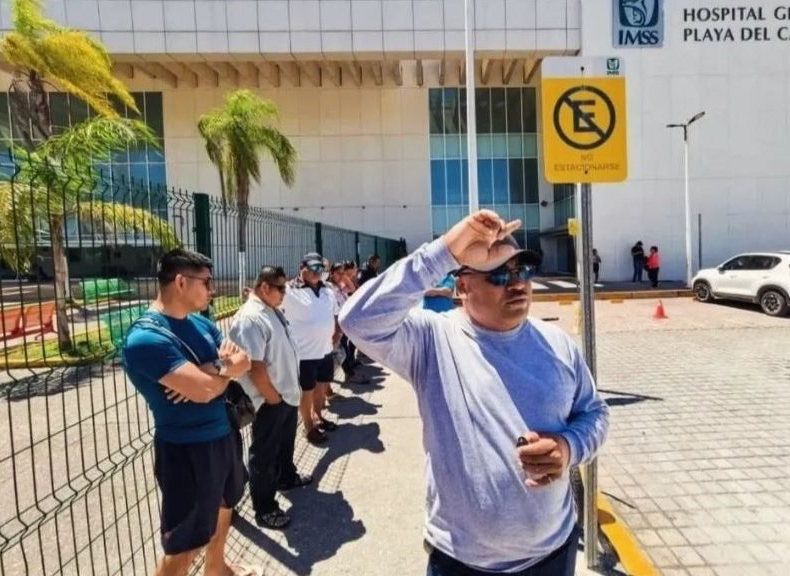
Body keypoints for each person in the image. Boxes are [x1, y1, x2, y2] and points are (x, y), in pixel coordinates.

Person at [339, 210, 610, 575]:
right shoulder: (432, 340)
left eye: (523, 271)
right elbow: (356, 320)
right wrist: (447, 251)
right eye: (499, 274)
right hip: (461, 562)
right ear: (462, 287)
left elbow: (595, 414)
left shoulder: (557, 344)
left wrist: (568, 447)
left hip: (552, 554)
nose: (517, 284)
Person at [122, 249, 254, 576]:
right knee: (186, 542)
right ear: (181, 281)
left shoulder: (200, 323)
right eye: (206, 282)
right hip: (187, 451)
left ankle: (217, 568)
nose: (213, 290)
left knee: (226, 505)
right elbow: (206, 389)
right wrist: (222, 372)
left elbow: (244, 362)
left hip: (224, 434)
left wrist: (210, 369)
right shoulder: (146, 338)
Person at [229, 266, 312, 531]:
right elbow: (255, 366)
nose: (284, 293)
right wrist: (272, 398)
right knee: (264, 455)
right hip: (269, 400)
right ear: (264, 287)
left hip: (284, 395)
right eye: (280, 288)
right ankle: (264, 508)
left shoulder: (270, 310)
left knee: (284, 444)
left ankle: (286, 477)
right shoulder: (251, 318)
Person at [283, 252, 340, 444]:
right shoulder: (289, 290)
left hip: (325, 349)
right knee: (306, 389)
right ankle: (308, 426)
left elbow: (334, 315)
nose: (317, 272)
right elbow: (267, 298)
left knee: (321, 385)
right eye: (313, 268)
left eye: (320, 268)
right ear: (302, 269)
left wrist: (336, 333)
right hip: (304, 353)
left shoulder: (328, 291)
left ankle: (318, 416)